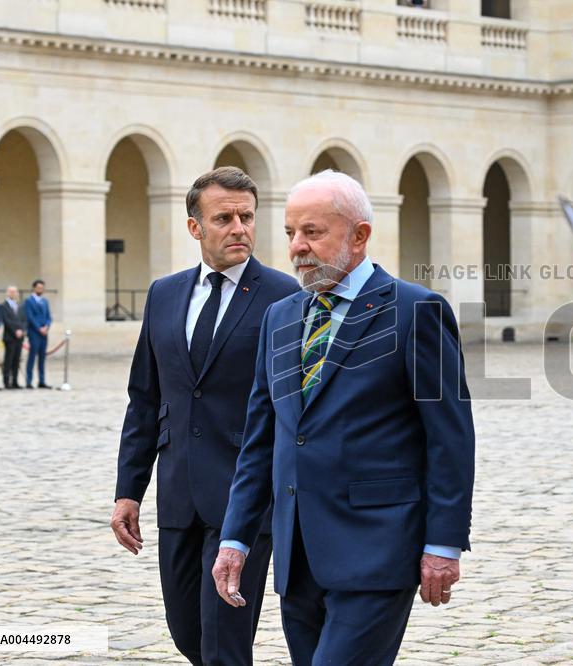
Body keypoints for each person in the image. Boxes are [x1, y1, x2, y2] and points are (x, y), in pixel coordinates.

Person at [211, 170, 476, 665]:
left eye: (313, 232)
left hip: (378, 549)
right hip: (298, 557)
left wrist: (444, 543)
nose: (297, 247)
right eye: (290, 232)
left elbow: (450, 440)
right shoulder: (281, 317)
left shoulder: (416, 312)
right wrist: (235, 537)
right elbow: (262, 440)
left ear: (359, 235)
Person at [112, 166, 299, 666]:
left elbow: (295, 408)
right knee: (187, 635)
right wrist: (129, 490)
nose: (239, 228)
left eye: (247, 217)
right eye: (224, 218)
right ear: (195, 227)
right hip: (178, 497)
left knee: (224, 643)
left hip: (244, 499)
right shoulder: (164, 294)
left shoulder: (285, 298)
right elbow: (145, 400)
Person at [23, 279, 52, 389]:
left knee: (42, 358)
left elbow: (49, 316)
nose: (41, 290)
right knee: (32, 357)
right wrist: (39, 328)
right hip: (34, 332)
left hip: (44, 333)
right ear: (34, 288)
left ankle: (42, 380)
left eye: (42, 288)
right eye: (39, 288)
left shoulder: (45, 301)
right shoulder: (29, 301)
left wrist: (47, 326)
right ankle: (29, 381)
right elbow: (30, 317)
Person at [0, 286, 25, 389]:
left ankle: (15, 381)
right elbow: (6, 320)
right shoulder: (3, 306)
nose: (14, 293)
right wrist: (15, 331)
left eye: (15, 292)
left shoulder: (19, 306)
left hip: (19, 337)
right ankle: (6, 381)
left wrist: (21, 330)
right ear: (7, 293)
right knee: (8, 360)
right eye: (11, 291)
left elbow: (24, 320)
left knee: (16, 360)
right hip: (10, 337)